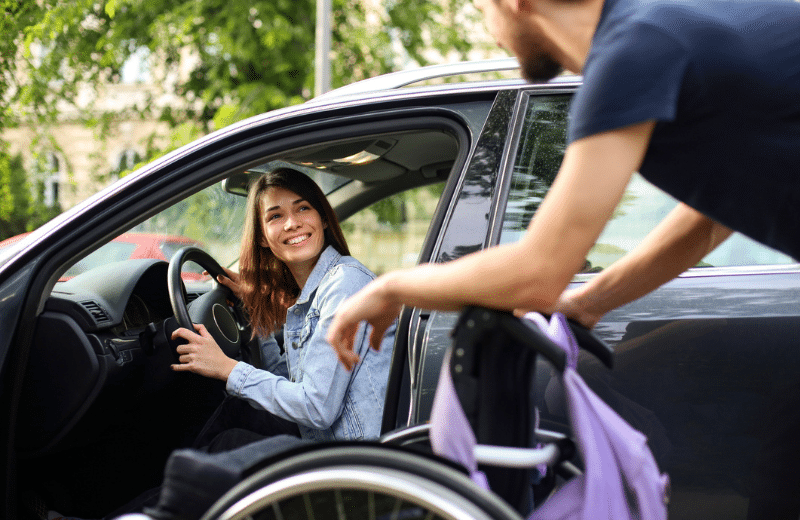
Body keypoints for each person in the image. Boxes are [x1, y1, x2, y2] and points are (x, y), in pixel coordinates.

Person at [326, 0, 800, 517]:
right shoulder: (656, 30)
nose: (490, 29)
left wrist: (392, 287)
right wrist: (595, 300)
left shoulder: (636, 46)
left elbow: (538, 272)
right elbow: (709, 217)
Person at [172, 167, 395, 450]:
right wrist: (252, 309)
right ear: (263, 237)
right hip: (331, 442)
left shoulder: (344, 284)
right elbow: (293, 382)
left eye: (302, 208)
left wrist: (226, 367)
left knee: (225, 444)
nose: (292, 223)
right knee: (235, 416)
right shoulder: (313, 294)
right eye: (276, 216)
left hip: (357, 461)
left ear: (323, 219)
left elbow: (315, 407)